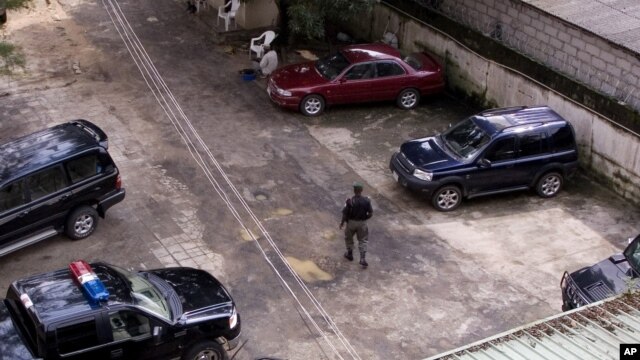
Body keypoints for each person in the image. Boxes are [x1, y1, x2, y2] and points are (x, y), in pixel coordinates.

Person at [339, 182, 373, 267]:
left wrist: (342, 223)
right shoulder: (366, 200)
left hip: (351, 223)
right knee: (363, 240)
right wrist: (365, 219)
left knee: (349, 238)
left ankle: (349, 254)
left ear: (354, 190)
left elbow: (345, 214)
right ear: (361, 190)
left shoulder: (349, 201)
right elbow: (371, 213)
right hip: (362, 223)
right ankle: (362, 259)